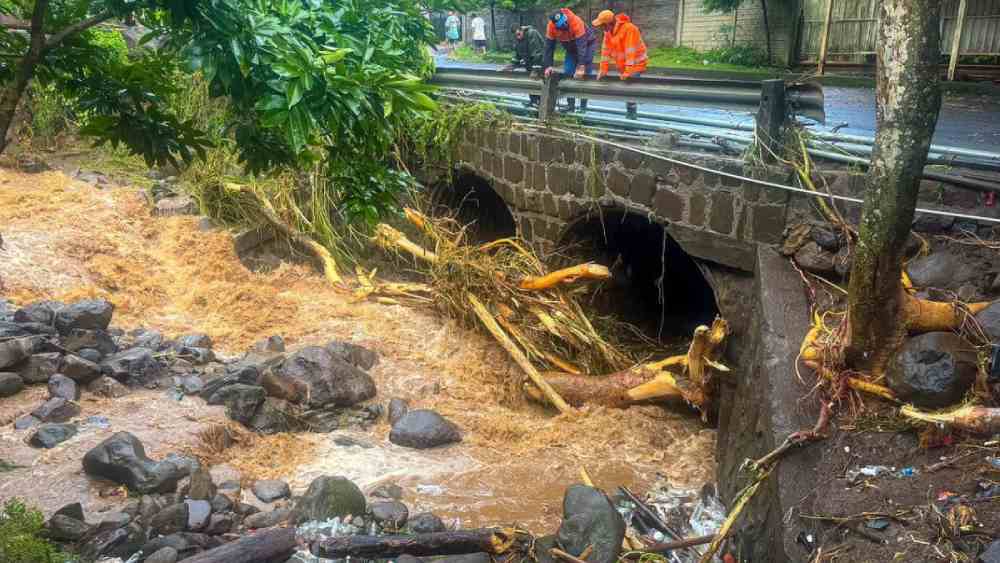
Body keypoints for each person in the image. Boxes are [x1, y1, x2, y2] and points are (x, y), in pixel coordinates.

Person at [592, 9, 648, 116]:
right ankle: (630, 113)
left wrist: (628, 72)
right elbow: (605, 52)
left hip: (637, 64)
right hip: (624, 66)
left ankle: (631, 116)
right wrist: (603, 70)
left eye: (602, 25)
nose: (600, 28)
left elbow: (630, 52)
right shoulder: (608, 33)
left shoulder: (629, 29)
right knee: (627, 89)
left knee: (629, 88)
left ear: (608, 24)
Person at [542, 8, 597, 112]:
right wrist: (548, 66)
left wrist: (581, 66)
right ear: (555, 24)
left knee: (584, 75)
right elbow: (549, 48)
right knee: (568, 72)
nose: (564, 24)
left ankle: (583, 108)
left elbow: (582, 46)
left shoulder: (576, 21)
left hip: (587, 45)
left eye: (564, 21)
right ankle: (570, 106)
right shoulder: (551, 27)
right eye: (561, 24)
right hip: (571, 49)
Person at [503, 25, 546, 106]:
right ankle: (533, 102)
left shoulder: (532, 34)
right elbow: (517, 54)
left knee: (540, 82)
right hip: (529, 63)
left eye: (519, 34)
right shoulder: (517, 39)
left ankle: (542, 104)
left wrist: (535, 69)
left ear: (522, 30)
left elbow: (537, 52)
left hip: (541, 62)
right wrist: (512, 65)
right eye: (516, 36)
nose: (518, 37)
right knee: (531, 82)